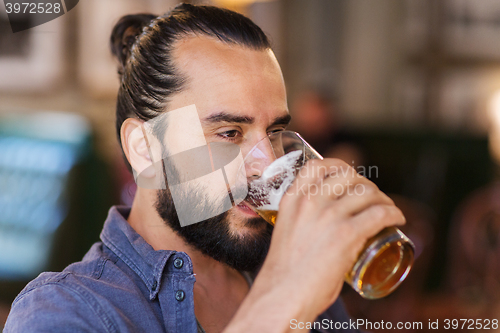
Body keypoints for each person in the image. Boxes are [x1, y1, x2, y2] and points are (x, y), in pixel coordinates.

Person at [4, 4, 405, 332]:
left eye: (276, 131)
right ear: (144, 149)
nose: (268, 165)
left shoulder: (296, 274)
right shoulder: (64, 311)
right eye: (230, 133)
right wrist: (281, 298)